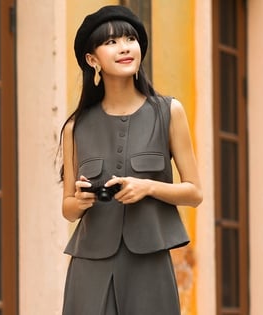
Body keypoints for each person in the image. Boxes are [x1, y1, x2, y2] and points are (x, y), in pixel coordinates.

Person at [58, 5, 203, 315]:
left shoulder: (169, 112)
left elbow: (194, 192)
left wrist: (147, 186)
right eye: (110, 42)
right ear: (92, 59)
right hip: (90, 267)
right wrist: (82, 200)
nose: (123, 47)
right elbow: (68, 209)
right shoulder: (75, 127)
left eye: (129, 39)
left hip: (149, 264)